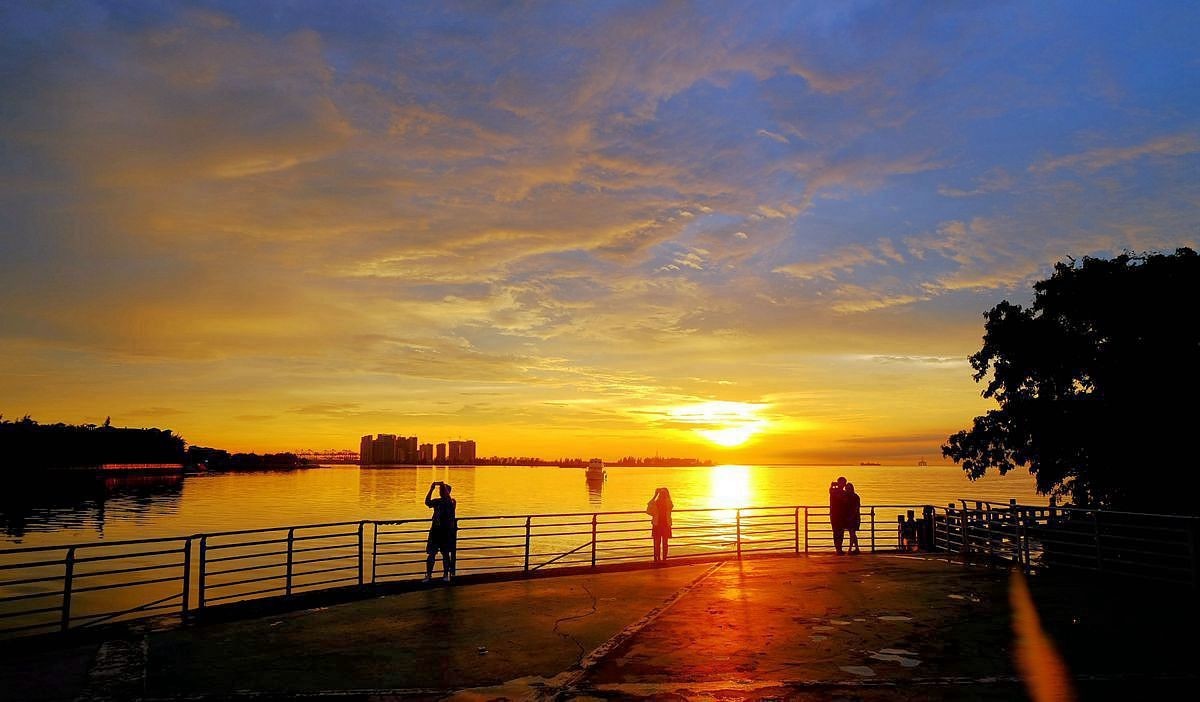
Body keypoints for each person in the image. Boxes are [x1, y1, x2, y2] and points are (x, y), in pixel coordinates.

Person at [423, 481, 457, 582]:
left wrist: (442, 486)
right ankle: (429, 575)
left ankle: (446, 575)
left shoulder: (451, 502)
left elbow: (448, 500)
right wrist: (431, 489)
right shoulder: (437, 501)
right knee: (431, 554)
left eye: (443, 490)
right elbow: (427, 502)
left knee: (445, 554)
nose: (441, 492)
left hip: (445, 532)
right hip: (435, 531)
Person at [646, 487, 673, 562]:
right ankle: (657, 559)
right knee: (657, 543)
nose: (662, 495)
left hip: (665, 525)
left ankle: (664, 559)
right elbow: (648, 510)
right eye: (661, 494)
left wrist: (666, 494)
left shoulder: (668, 503)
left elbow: (671, 504)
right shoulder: (655, 503)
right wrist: (655, 495)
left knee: (664, 543)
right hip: (657, 525)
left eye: (664, 494)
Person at [829, 477, 847, 554]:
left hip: (842, 514)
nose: (842, 485)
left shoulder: (844, 492)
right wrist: (833, 485)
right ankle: (838, 549)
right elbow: (832, 492)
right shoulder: (834, 491)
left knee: (841, 532)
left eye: (843, 483)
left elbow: (845, 501)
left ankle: (840, 548)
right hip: (834, 514)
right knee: (836, 532)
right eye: (841, 483)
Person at [845, 482, 862, 554]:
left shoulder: (855, 497)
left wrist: (852, 516)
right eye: (847, 488)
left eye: (849, 488)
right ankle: (857, 548)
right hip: (849, 517)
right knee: (852, 533)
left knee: (852, 533)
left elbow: (856, 508)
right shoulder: (846, 496)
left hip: (854, 517)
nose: (847, 490)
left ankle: (850, 549)